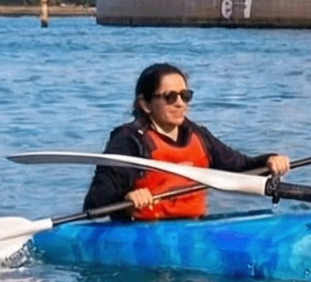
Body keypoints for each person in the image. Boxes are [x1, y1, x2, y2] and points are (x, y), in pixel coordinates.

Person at [83, 63, 292, 220]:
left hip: (192, 226)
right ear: (145, 104)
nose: (180, 104)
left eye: (185, 96)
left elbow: (240, 169)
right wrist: (127, 197)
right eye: (170, 97)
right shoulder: (128, 141)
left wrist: (269, 162)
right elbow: (94, 201)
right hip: (140, 232)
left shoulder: (198, 136)